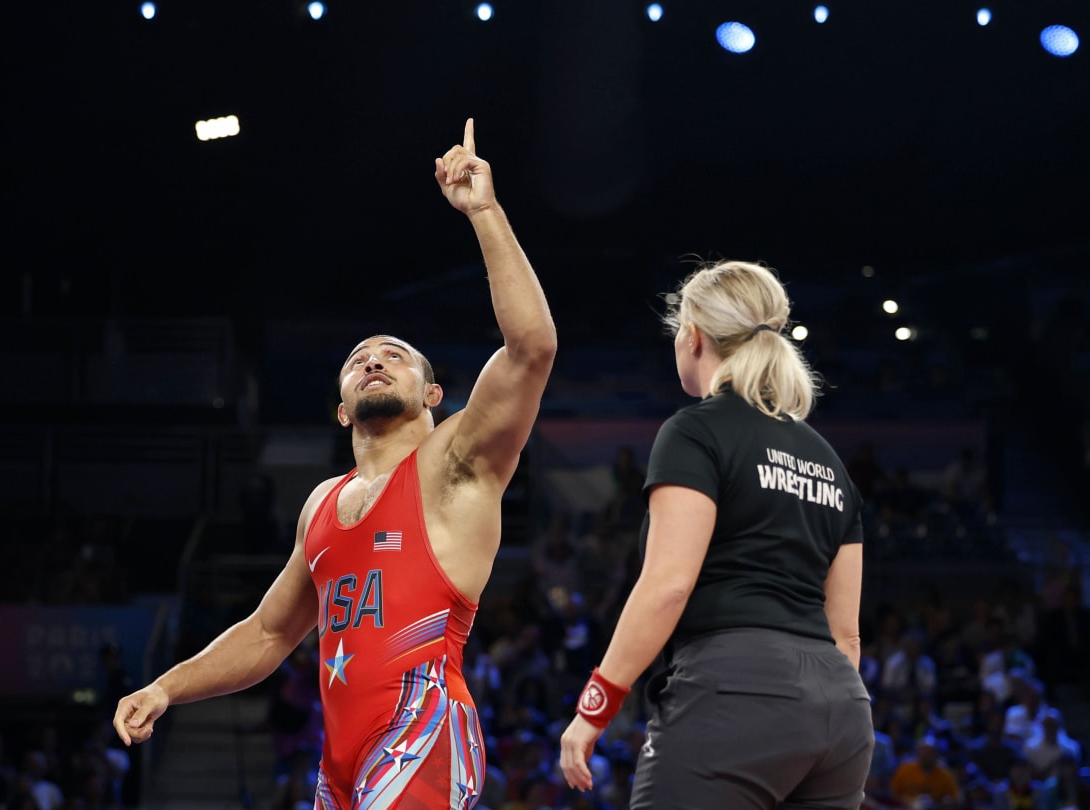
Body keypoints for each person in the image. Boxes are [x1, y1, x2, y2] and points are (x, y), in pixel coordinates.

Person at [112, 118, 556, 809]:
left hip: (422, 732)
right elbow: (266, 634)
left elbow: (530, 348)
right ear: (343, 409)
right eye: (358, 359)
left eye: (395, 355)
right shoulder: (322, 502)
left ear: (433, 396)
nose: (374, 359)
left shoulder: (457, 462)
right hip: (340, 760)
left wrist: (484, 212)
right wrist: (166, 686)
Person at [558, 259, 873, 808]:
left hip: (735, 690)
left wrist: (594, 708)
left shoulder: (694, 431)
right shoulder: (828, 461)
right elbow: (847, 635)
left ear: (692, 335)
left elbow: (668, 585)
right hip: (842, 712)